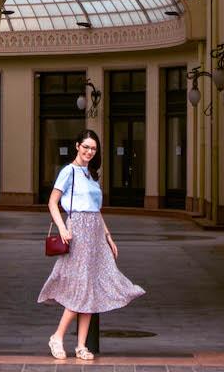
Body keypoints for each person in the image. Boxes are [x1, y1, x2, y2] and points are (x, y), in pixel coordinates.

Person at [38, 129, 145, 360]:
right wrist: (63, 228)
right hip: (77, 232)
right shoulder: (69, 172)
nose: (89, 151)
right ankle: (57, 336)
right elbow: (52, 202)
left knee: (92, 287)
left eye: (93, 148)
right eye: (85, 146)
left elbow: (97, 211)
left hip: (95, 232)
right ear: (77, 146)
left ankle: (81, 345)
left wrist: (108, 236)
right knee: (81, 286)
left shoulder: (91, 174)